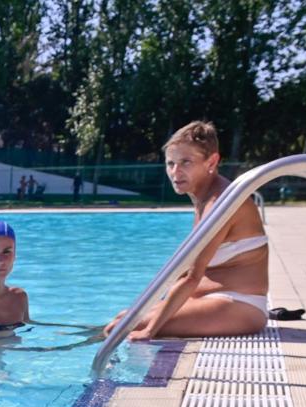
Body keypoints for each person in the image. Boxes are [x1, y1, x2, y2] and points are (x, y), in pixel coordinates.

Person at [104, 121, 268, 341]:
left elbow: (192, 277)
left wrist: (150, 331)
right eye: (170, 163)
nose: (175, 172)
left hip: (240, 305)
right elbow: (181, 272)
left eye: (185, 162)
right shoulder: (203, 197)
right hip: (210, 300)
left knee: (120, 328)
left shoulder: (221, 203)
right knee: (123, 318)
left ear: (212, 161)